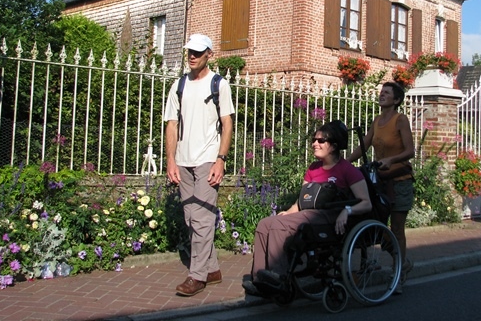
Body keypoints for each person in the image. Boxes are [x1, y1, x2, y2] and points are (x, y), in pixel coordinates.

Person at [244, 120, 372, 295]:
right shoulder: (313, 168)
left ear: (333, 146)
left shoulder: (347, 170)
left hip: (329, 217)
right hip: (308, 214)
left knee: (279, 226)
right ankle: (260, 279)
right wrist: (288, 212)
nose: (314, 144)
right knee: (265, 224)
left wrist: (347, 210)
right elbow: (302, 200)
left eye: (320, 141)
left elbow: (365, 202)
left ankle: (279, 278)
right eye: (314, 139)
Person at [164, 34, 235, 296]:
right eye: (189, 52)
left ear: (209, 54)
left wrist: (221, 159)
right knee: (190, 218)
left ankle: (197, 276)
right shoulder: (178, 85)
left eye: (197, 52)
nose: (192, 56)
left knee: (203, 218)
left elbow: (227, 123)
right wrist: (171, 160)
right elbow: (171, 123)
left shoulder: (219, 84)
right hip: (183, 161)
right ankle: (212, 269)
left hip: (208, 159)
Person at [346, 81, 415, 292]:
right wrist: (344, 163)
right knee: (377, 224)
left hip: (400, 181)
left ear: (396, 100)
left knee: (397, 228)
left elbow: (410, 151)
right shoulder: (376, 121)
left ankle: (399, 272)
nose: (382, 95)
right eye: (381, 92)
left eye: (387, 93)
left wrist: (391, 160)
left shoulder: (400, 120)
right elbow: (365, 145)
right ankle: (400, 260)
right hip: (380, 182)